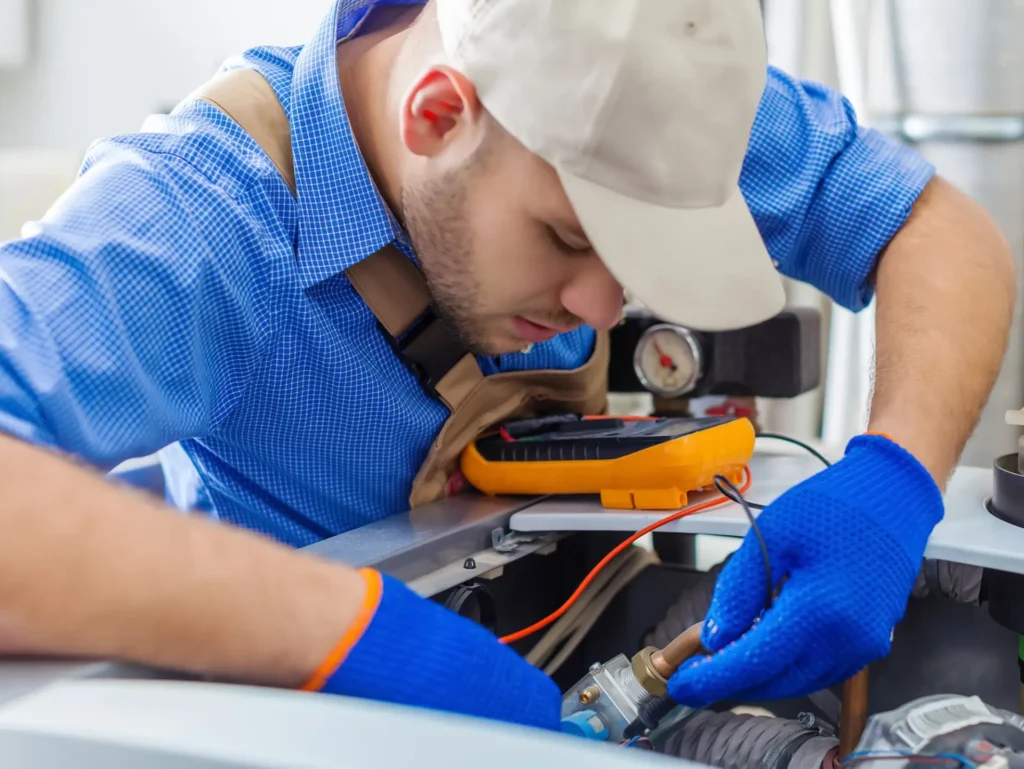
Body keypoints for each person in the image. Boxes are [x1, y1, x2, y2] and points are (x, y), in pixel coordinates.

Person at [0, 0, 1013, 732]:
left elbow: (936, 227)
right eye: (569, 238)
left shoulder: (639, 92)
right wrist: (349, 630)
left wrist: (892, 479)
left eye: (635, 256)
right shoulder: (192, 221)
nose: (601, 307)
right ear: (438, 115)